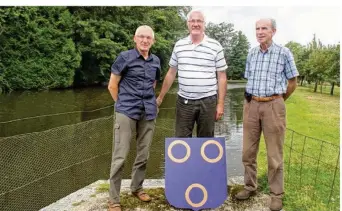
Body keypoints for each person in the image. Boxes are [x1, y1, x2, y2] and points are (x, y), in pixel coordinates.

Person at [235, 18, 299, 211]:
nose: (260, 31)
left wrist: (278, 102)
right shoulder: (251, 53)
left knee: (274, 155)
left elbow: (292, 82)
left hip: (274, 104)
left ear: (273, 31)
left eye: (264, 28)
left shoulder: (284, 52)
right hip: (251, 104)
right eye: (257, 28)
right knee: (248, 152)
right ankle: (250, 186)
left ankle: (276, 194)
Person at [107, 25, 160, 211]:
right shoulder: (125, 57)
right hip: (126, 112)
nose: (145, 40)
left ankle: (137, 187)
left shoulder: (156, 61)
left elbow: (153, 83)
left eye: (148, 38)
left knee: (143, 154)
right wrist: (121, 105)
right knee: (120, 156)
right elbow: (112, 85)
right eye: (141, 37)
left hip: (148, 112)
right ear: (134, 39)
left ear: (153, 41)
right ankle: (113, 199)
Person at [156, 9, 228, 138]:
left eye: (199, 21)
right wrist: (161, 97)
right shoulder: (179, 45)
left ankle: (202, 160)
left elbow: (222, 76)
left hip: (208, 101)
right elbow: (171, 73)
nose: (196, 24)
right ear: (187, 24)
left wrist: (221, 104)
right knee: (182, 142)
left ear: (204, 24)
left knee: (206, 142)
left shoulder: (215, 46)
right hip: (184, 101)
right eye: (192, 21)